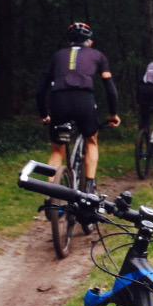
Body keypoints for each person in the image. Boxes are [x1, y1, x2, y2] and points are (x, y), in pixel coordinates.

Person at [36, 21, 121, 193]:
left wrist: (44, 114)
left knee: (57, 150)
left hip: (58, 100)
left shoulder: (57, 56)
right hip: (84, 100)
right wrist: (113, 113)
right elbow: (110, 90)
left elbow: (41, 90)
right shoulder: (98, 55)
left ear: (70, 41)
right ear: (89, 41)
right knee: (91, 140)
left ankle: (50, 193)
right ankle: (89, 188)